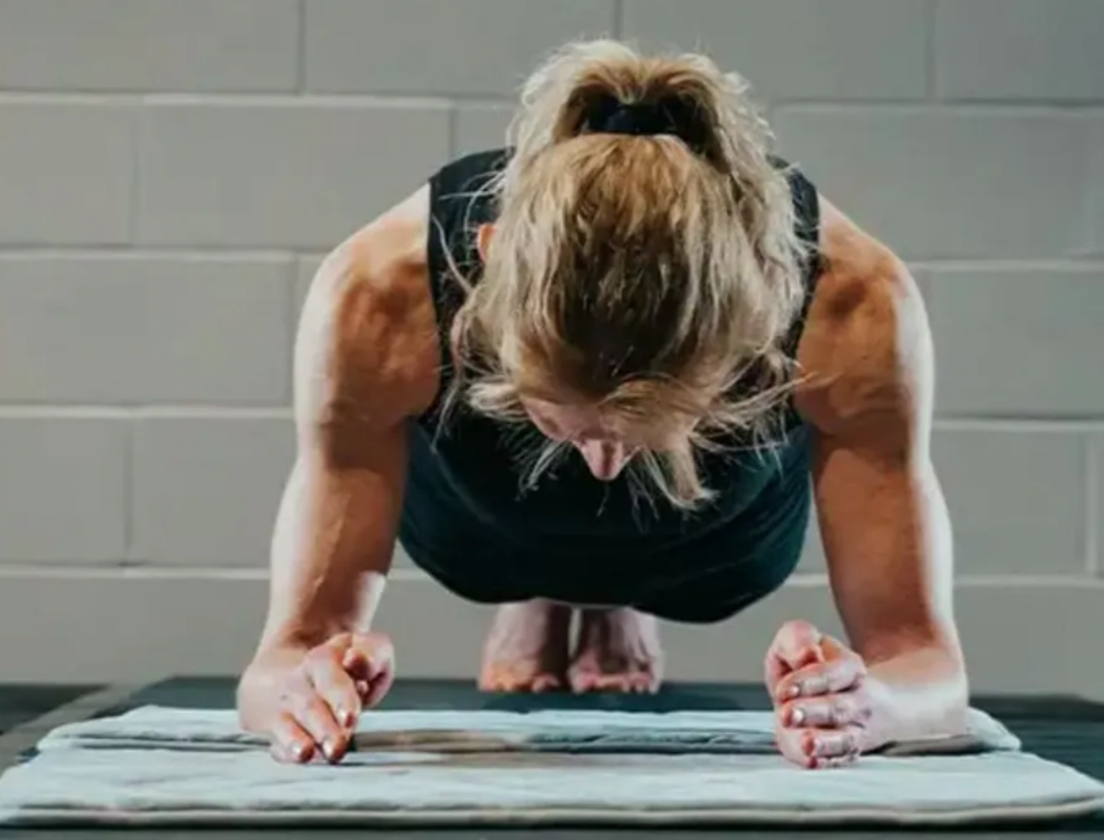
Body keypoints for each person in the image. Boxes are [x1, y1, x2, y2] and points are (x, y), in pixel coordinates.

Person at [235, 39, 969, 771]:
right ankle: (544, 590)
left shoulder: (855, 302)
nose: (604, 469)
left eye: (646, 432)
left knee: (679, 541)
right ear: (486, 260)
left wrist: (870, 704)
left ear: (763, 315)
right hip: (481, 521)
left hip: (714, 540)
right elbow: (278, 664)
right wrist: (304, 688)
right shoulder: (377, 294)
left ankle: (620, 593)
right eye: (561, 419)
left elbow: (927, 668)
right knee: (524, 533)